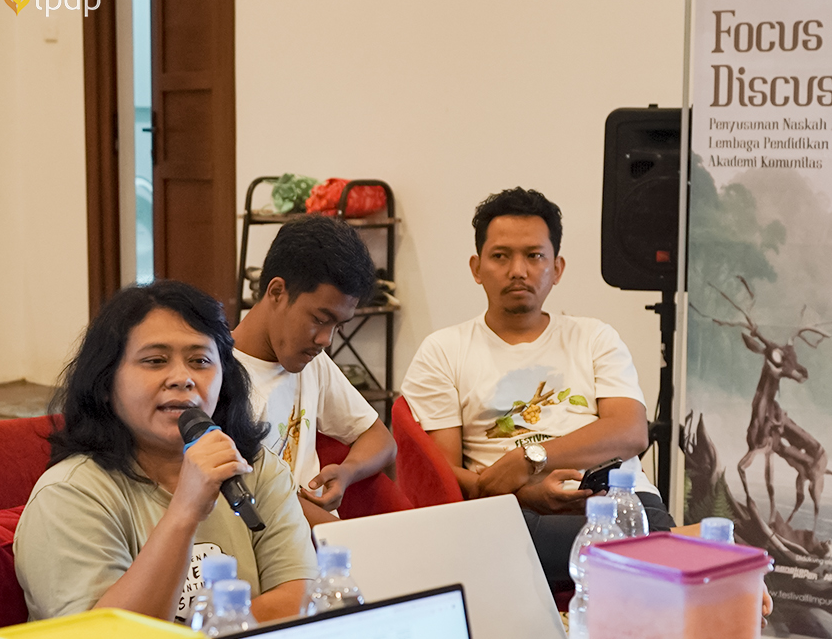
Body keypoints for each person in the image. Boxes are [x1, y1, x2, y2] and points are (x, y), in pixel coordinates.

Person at [400, 188, 674, 587]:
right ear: (476, 268)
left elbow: (630, 431)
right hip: (514, 513)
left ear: (557, 268)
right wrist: (521, 493)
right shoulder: (445, 350)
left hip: (616, 501)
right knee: (651, 556)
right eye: (500, 256)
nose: (518, 270)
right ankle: (664, 554)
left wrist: (529, 459)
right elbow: (441, 472)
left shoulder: (595, 337)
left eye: (534, 255)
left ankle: (657, 554)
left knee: (639, 541)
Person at [14, 281, 316, 623]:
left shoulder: (256, 469)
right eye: (155, 361)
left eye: (200, 361)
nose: (182, 378)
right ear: (105, 382)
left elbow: (298, 601)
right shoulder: (69, 494)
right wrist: (185, 510)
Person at [233, 215, 397, 526]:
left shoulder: (312, 362)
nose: (326, 340)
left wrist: (347, 472)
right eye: (320, 319)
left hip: (321, 546)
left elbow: (381, 441)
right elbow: (261, 497)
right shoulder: (219, 379)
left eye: (338, 325)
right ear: (277, 292)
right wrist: (349, 541)